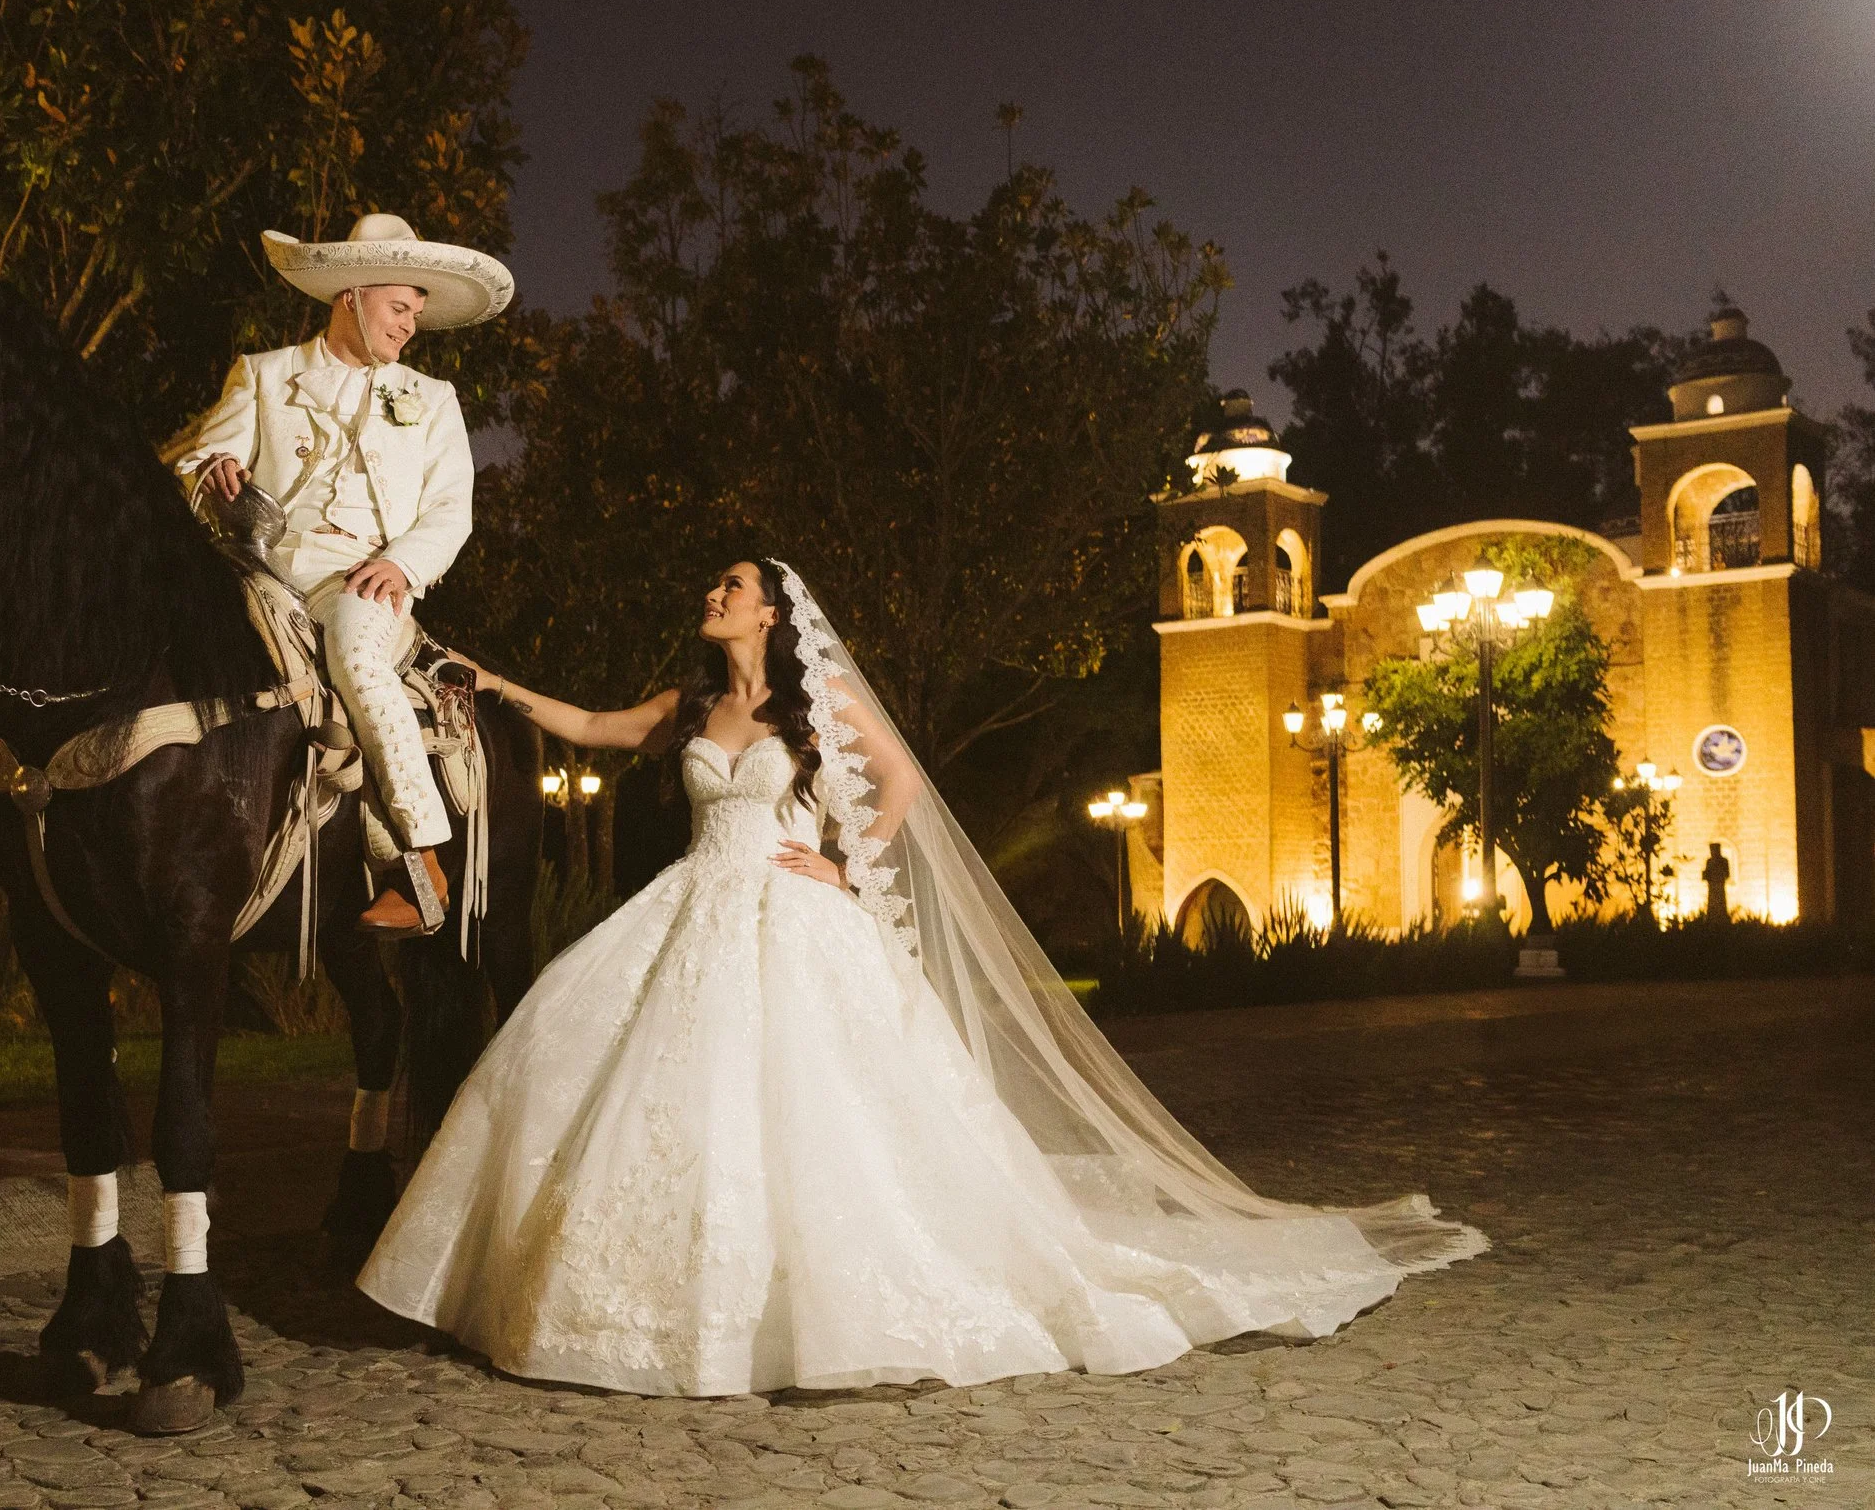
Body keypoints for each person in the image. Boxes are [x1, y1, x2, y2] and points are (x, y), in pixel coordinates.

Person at [356, 559, 1490, 1397]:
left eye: (730, 583)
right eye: (713, 583)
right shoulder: (691, 705)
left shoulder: (818, 706)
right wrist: (492, 683)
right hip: (690, 912)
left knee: (814, 1112)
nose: (711, 592)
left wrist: (843, 860)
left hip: (793, 914)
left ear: (768, 609)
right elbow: (595, 725)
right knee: (617, 1086)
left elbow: (899, 781)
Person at [175, 212, 512, 933]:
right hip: (259, 573)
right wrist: (214, 473)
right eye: (399, 308)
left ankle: (419, 863)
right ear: (352, 295)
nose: (410, 326)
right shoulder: (263, 374)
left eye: (417, 313)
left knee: (358, 655)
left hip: (360, 581)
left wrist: (401, 562)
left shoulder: (432, 399)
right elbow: (194, 462)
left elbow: (453, 508)